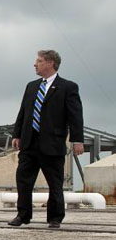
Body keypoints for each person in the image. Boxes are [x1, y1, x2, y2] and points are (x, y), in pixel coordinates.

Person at [9, 50, 84, 229]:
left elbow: (75, 116)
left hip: (52, 144)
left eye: (39, 61)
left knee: (55, 183)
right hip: (29, 143)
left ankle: (55, 217)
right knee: (23, 180)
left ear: (51, 63)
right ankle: (23, 215)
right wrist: (17, 134)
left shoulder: (68, 87)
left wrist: (77, 140)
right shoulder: (31, 86)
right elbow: (23, 112)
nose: (35, 64)